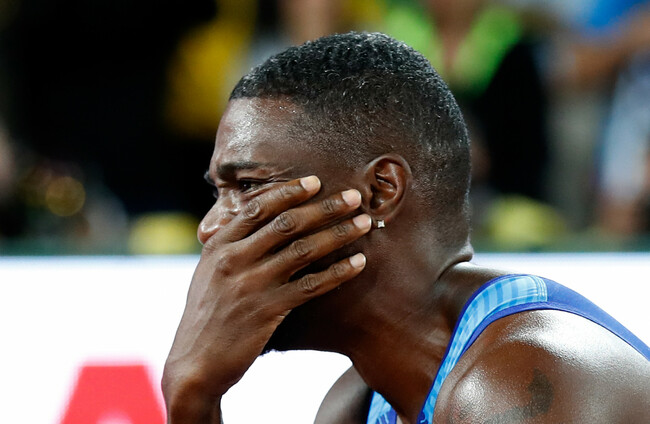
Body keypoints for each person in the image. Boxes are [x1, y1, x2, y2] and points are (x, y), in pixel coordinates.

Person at [162, 32, 650, 424]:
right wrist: (193, 399)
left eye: (249, 186)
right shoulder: (358, 402)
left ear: (380, 191)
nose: (211, 228)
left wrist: (192, 395)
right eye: (218, 193)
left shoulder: (519, 379)